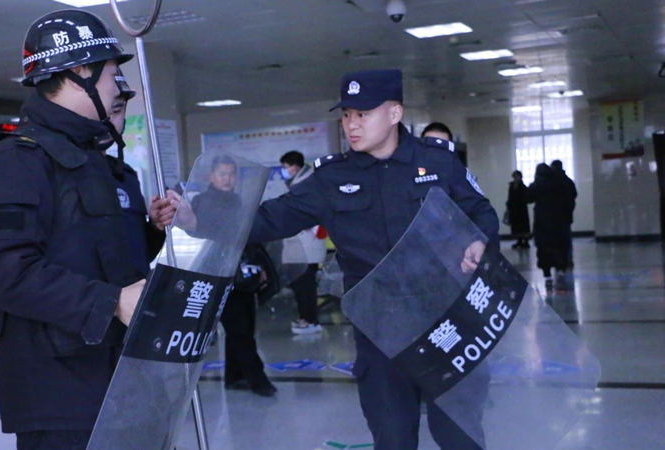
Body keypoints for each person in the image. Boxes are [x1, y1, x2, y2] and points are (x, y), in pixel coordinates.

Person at [152, 69, 499, 450]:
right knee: (393, 437)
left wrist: (479, 241)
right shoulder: (332, 178)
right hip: (380, 332)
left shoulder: (438, 163)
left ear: (395, 113)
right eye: (346, 115)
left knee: (459, 435)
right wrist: (195, 219)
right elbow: (267, 219)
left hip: (445, 323)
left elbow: (480, 212)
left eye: (363, 114)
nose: (352, 124)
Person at [0, 10, 165, 450]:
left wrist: (153, 232)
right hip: (60, 391)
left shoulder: (92, 160)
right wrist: (112, 301)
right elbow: (7, 272)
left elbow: (101, 255)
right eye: (111, 74)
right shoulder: (17, 161)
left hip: (120, 375)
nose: (116, 87)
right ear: (80, 73)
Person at [191, 155, 278, 397]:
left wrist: (258, 266)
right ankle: (258, 381)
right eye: (222, 174)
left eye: (231, 174)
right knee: (239, 330)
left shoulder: (238, 201)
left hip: (240, 273)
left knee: (243, 327)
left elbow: (248, 238)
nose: (227, 179)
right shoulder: (202, 202)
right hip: (217, 275)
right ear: (212, 176)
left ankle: (235, 376)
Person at [279, 150, 327, 334]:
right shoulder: (298, 182)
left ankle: (311, 320)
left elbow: (314, 212)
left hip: (307, 245)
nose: (284, 171)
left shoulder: (308, 183)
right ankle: (305, 317)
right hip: (299, 245)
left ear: (296, 167)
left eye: (286, 167)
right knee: (299, 284)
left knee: (306, 286)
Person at [526, 163, 572, 289]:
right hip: (559, 221)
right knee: (560, 247)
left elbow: (528, 197)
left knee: (543, 249)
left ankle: (547, 276)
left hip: (542, 223)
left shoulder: (537, 184)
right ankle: (561, 270)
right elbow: (569, 198)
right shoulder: (559, 183)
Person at [550, 160, 577, 269]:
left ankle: (557, 259)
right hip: (566, 215)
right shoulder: (568, 181)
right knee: (566, 239)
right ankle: (568, 259)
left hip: (554, 216)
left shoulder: (551, 182)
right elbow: (574, 195)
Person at [506, 170, 531, 249]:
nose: (515, 178)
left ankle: (525, 241)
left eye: (516, 177)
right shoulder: (512, 186)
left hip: (521, 209)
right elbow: (510, 197)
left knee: (523, 225)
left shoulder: (523, 187)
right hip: (514, 209)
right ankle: (519, 240)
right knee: (517, 225)